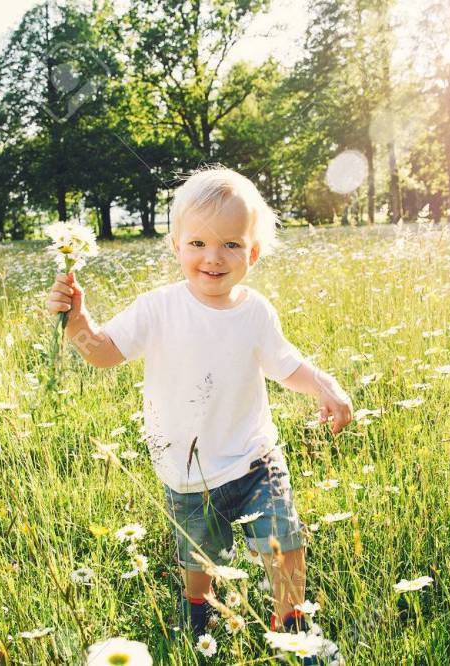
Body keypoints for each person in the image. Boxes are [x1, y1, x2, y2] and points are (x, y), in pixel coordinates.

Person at [46, 166, 352, 661]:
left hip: (255, 459)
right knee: (200, 559)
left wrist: (324, 385)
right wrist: (76, 319)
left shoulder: (256, 311)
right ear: (176, 246)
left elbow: (286, 364)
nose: (213, 257)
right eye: (198, 244)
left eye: (231, 245)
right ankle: (197, 609)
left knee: (286, 542)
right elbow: (102, 353)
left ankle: (293, 627)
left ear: (252, 253)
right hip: (187, 472)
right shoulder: (158, 309)